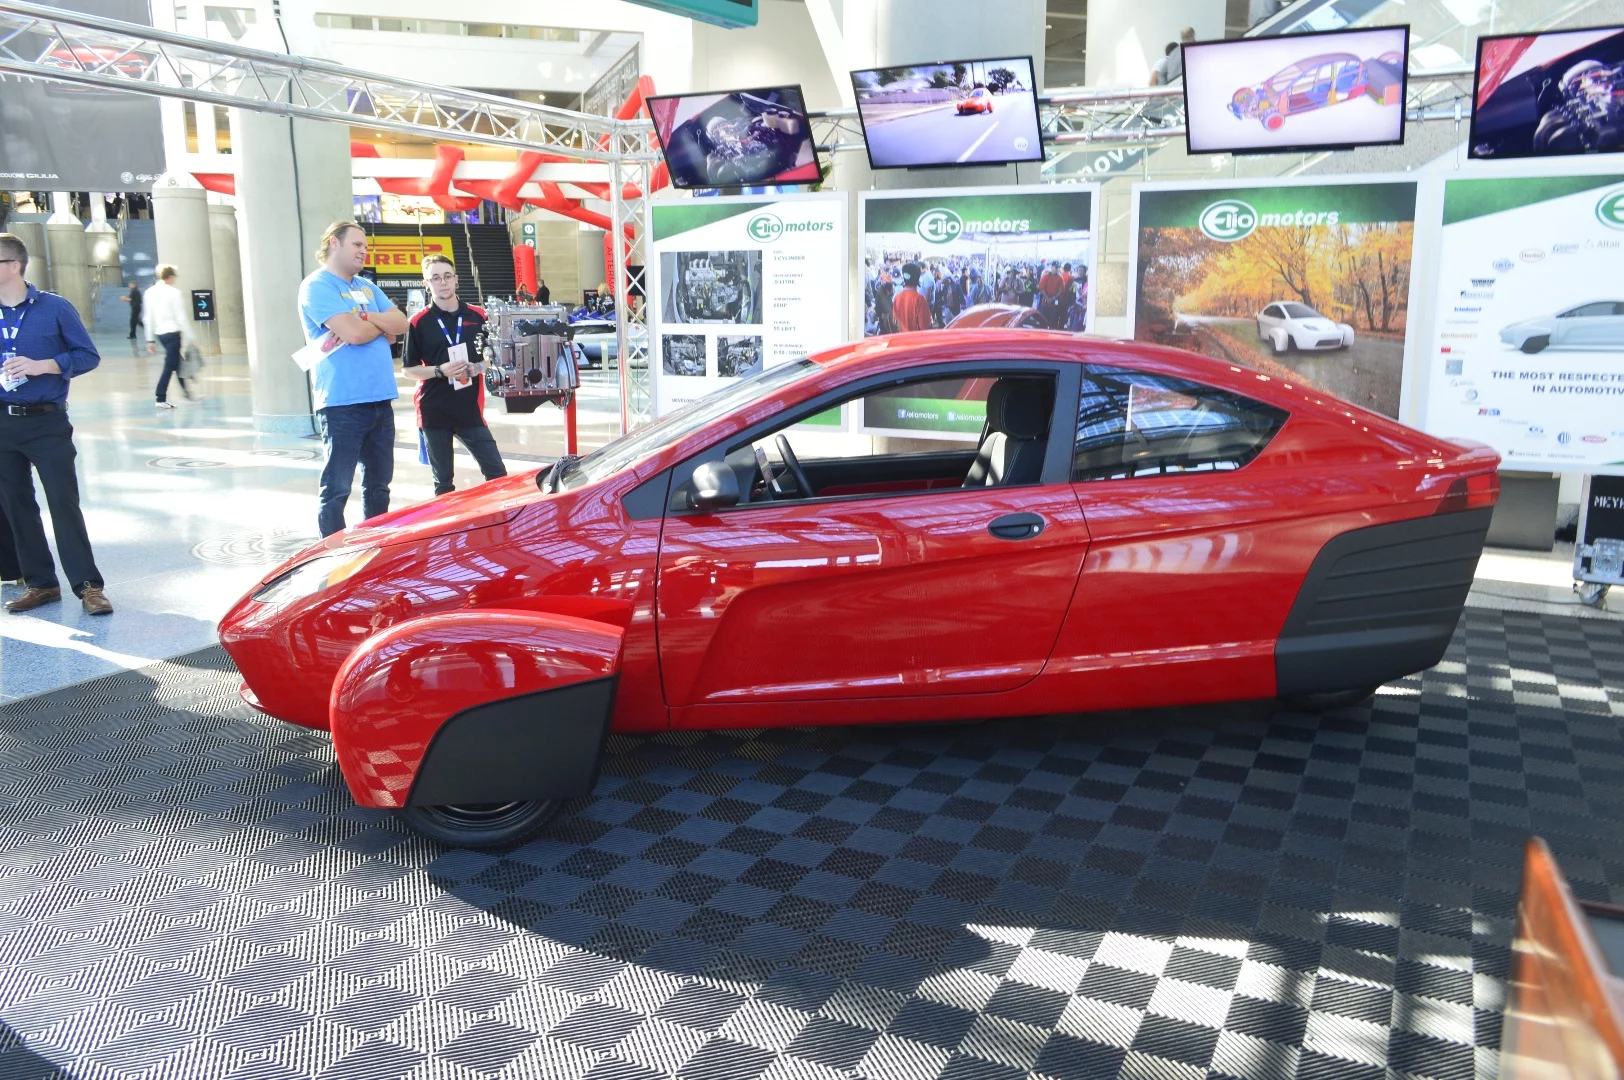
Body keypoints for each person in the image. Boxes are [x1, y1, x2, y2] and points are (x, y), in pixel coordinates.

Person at [0, 233, 113, 615]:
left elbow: (87, 356)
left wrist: (42, 365)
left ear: (13, 265)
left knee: (63, 503)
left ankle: (88, 586)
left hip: (47, 421)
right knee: (16, 505)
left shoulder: (54, 308)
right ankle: (41, 584)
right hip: (2, 422)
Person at [298, 221, 409, 538]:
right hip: (342, 404)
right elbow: (355, 334)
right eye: (357, 245)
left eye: (365, 246)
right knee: (337, 489)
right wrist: (377, 324)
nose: (363, 251)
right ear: (334, 243)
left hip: (380, 400)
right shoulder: (317, 286)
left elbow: (400, 322)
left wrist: (367, 317)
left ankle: (374, 549)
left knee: (379, 487)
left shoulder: (367, 286)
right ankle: (331, 556)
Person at [402, 255, 507, 496]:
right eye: (435, 278)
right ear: (426, 284)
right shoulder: (418, 322)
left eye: (447, 276)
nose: (443, 282)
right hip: (433, 410)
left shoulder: (479, 316)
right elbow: (408, 369)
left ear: (456, 280)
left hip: (469, 409)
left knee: (497, 474)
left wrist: (478, 368)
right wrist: (440, 370)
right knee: (444, 484)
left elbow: (495, 355)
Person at [143, 265, 194, 408]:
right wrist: (191, 337)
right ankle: (160, 397)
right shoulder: (174, 293)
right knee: (170, 365)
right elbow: (181, 317)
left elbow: (148, 318)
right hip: (173, 333)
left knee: (179, 363)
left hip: (160, 335)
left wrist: (150, 340)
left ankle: (187, 393)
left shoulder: (149, 292)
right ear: (171, 277)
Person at [891, 263, 932, 333]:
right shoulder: (920, 299)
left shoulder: (897, 298)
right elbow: (925, 327)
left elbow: (895, 322)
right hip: (915, 341)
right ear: (918, 278)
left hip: (901, 339)